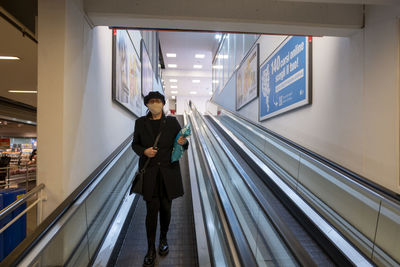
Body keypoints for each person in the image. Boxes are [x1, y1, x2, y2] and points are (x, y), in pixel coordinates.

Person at [131, 91, 189, 267]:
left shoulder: (171, 122)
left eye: (158, 101)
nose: (155, 104)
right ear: (147, 104)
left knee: (166, 208)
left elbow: (183, 142)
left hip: (168, 174)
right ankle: (150, 248)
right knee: (151, 212)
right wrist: (144, 151)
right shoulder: (140, 123)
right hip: (149, 174)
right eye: (151, 101)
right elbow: (135, 144)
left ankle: (163, 238)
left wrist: (183, 143)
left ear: (163, 104)